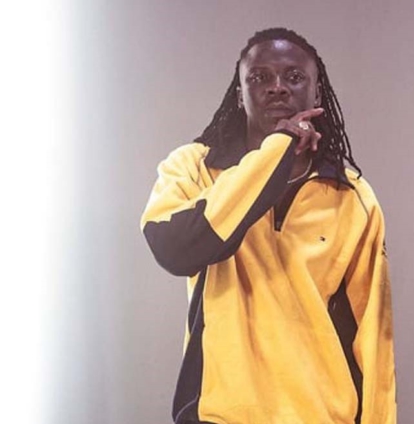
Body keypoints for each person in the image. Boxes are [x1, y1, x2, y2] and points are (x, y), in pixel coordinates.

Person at [140, 28, 396, 424]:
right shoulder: (192, 167)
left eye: (294, 77)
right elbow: (174, 248)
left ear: (316, 93)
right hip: (220, 414)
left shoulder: (352, 196)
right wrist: (275, 151)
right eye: (260, 77)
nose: (277, 87)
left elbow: (374, 335)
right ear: (240, 93)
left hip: (319, 415)